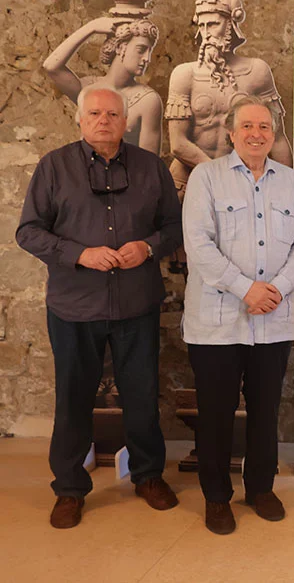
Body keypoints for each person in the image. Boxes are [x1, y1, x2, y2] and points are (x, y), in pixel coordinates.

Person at [16, 85, 183, 529]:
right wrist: (79, 254)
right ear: (80, 119)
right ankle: (69, 489)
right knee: (73, 399)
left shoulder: (151, 167)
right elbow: (28, 232)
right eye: (94, 113)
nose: (103, 121)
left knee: (142, 397)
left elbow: (173, 226)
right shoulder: (53, 167)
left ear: (125, 121)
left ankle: (148, 476)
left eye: (112, 114)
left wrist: (148, 248)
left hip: (137, 305)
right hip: (74, 307)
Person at [182, 96, 294, 535]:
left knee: (264, 411)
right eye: (247, 126)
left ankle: (260, 489)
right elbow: (198, 245)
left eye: (264, 127)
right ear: (231, 133)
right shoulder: (206, 178)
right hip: (217, 322)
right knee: (216, 414)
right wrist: (247, 289)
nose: (256, 134)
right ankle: (217, 497)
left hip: (273, 320)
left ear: (273, 135)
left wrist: (276, 289)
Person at [165, 0, 292, 200]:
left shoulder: (256, 72)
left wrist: (285, 187)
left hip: (244, 183)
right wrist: (221, 176)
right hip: (189, 182)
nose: (206, 33)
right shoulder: (184, 74)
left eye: (213, 24)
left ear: (231, 24)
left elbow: (277, 139)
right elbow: (178, 144)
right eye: (202, 26)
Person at [43, 17, 163, 154]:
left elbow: (150, 162)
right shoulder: (88, 88)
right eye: (141, 49)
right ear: (120, 48)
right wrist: (91, 27)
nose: (147, 58)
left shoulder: (148, 100)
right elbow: (51, 66)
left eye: (149, 51)